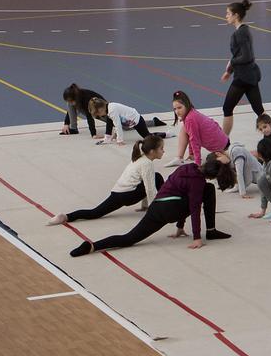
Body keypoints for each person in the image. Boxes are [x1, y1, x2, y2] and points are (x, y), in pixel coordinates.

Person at [70, 155, 232, 255]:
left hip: (157, 206)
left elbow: (179, 194)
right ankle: (210, 231)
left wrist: (180, 226)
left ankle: (92, 246)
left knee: (129, 238)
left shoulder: (186, 167)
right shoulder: (198, 183)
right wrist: (197, 237)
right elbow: (194, 208)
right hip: (171, 209)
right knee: (208, 190)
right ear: (211, 176)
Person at [49, 136, 165, 226]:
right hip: (128, 195)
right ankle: (168, 202)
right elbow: (150, 189)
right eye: (161, 148)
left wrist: (144, 206)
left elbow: (145, 184)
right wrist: (153, 212)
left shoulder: (139, 158)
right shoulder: (147, 164)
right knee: (157, 177)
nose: (163, 151)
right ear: (151, 151)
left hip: (117, 192)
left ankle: (66, 216)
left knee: (95, 212)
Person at [221, 0, 264, 135]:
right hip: (249, 75)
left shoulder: (240, 33)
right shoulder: (244, 30)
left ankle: (222, 143)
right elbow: (241, 54)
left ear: (236, 15)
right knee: (259, 110)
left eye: (228, 13)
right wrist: (229, 71)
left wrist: (232, 62)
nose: (226, 16)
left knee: (227, 108)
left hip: (244, 77)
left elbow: (246, 57)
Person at [171, 89, 229, 165]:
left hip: (220, 146)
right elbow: (191, 135)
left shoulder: (190, 119)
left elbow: (194, 140)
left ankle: (226, 157)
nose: (177, 112)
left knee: (211, 161)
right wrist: (192, 154)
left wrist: (197, 162)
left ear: (186, 105)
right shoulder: (192, 112)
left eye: (179, 108)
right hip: (224, 141)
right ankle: (179, 157)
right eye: (175, 109)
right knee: (184, 128)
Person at [86, 96, 155, 145]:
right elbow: (112, 123)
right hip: (132, 121)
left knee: (148, 138)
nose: (100, 116)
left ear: (101, 109)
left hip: (137, 120)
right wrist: (113, 135)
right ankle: (107, 137)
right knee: (109, 121)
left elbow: (118, 125)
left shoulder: (112, 110)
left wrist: (120, 140)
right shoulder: (109, 109)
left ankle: (165, 134)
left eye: (98, 114)